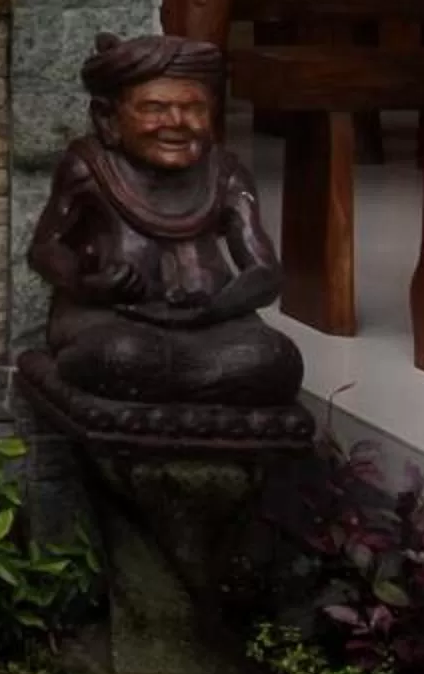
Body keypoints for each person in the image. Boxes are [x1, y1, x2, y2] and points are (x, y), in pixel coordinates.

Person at [25, 33, 303, 407]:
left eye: (194, 108)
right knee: (121, 354)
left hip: (209, 325)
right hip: (110, 319)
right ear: (107, 119)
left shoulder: (224, 174)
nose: (176, 121)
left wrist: (219, 305)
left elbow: (265, 271)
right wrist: (86, 282)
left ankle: (171, 385)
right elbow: (45, 248)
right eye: (155, 108)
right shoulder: (89, 168)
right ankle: (186, 385)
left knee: (275, 358)